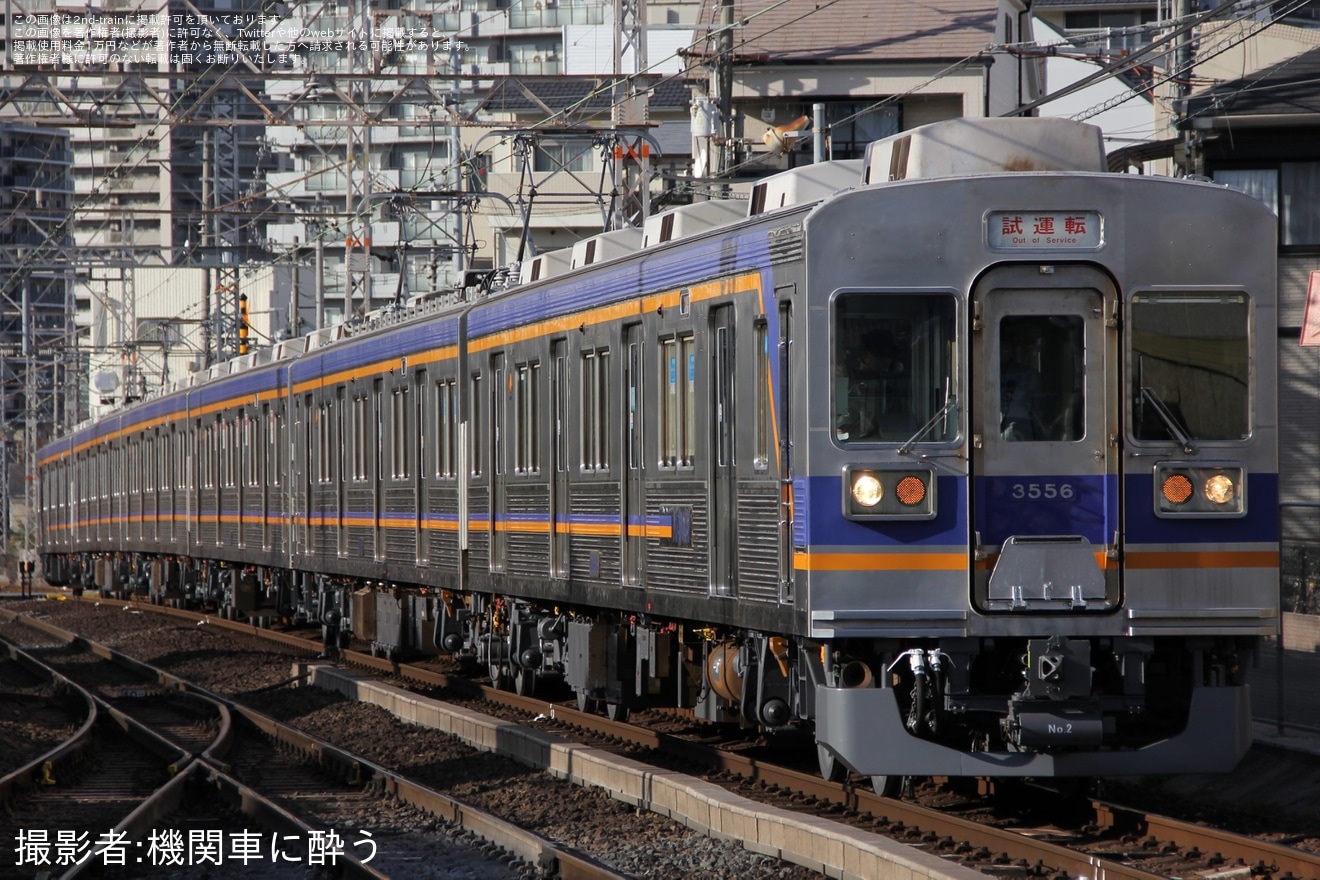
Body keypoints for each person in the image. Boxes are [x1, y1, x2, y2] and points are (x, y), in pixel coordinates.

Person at [1000, 323, 1042, 441]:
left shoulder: (1028, 374)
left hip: (1022, 425)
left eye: (1008, 344)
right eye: (1002, 344)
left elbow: (1038, 406)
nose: (1004, 349)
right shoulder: (988, 374)